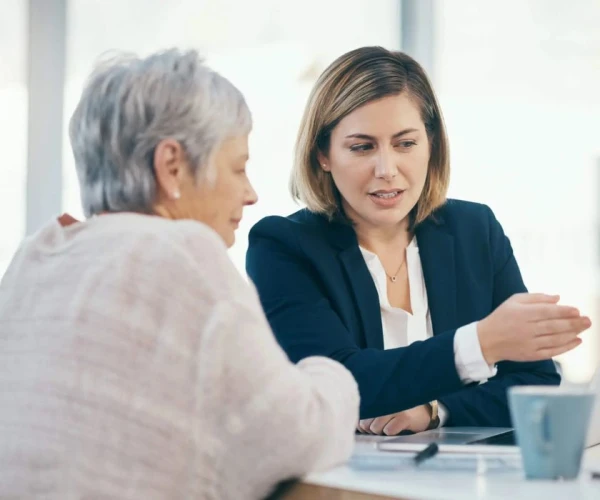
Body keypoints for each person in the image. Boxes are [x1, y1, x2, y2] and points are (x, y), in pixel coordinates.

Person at [0, 49, 359, 499]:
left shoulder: (36, 257)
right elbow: (298, 436)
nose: (250, 194)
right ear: (172, 166)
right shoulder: (182, 253)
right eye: (238, 167)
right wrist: (330, 374)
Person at [246, 46, 590, 436]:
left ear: (431, 145)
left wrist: (434, 410)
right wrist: (481, 344)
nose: (387, 170)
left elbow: (535, 383)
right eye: (362, 147)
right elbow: (339, 385)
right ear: (322, 154)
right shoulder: (283, 247)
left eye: (405, 144)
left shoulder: (474, 229)